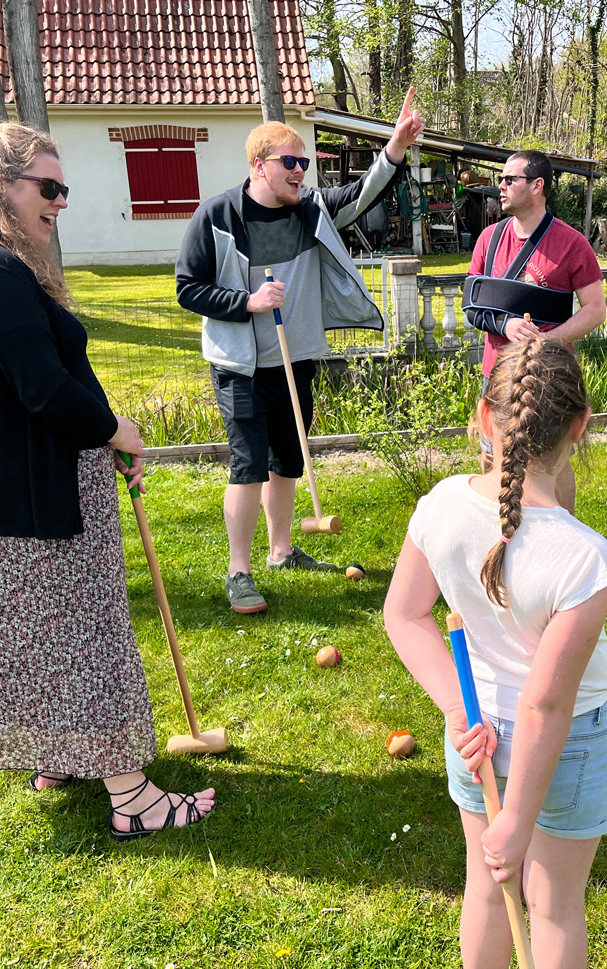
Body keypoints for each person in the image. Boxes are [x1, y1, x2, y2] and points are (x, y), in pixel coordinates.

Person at [0, 123, 215, 840]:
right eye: (48, 187)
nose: (61, 201)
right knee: (85, 637)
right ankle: (133, 797)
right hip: (34, 495)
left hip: (5, 494)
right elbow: (43, 387)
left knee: (38, 639)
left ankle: (59, 754)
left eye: (64, 187)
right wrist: (115, 430)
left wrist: (101, 431)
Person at [384, 340, 607, 969]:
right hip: (566, 746)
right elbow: (545, 705)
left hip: (477, 733)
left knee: (488, 890)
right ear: (580, 426)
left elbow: (404, 614)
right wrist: (518, 816)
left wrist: (459, 711)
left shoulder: (439, 505)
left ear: (484, 418)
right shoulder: (583, 558)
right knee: (553, 906)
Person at [177, 91, 424, 614]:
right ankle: (238, 571)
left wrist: (396, 147)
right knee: (248, 465)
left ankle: (282, 550)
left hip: (296, 358)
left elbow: (363, 194)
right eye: (290, 162)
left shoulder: (311, 209)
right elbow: (187, 288)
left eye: (304, 163)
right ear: (258, 165)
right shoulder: (217, 215)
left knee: (289, 459)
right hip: (240, 367)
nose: (299, 171)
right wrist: (247, 301)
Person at [463, 150, 607, 511]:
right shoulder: (489, 239)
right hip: (497, 374)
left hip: (549, 375)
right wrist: (505, 324)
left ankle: (565, 530)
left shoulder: (571, 243)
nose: (501, 185)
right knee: (492, 454)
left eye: (510, 179)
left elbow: (595, 310)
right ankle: (498, 525)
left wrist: (547, 340)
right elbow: (472, 306)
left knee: (554, 463)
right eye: (502, 179)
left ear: (537, 185)